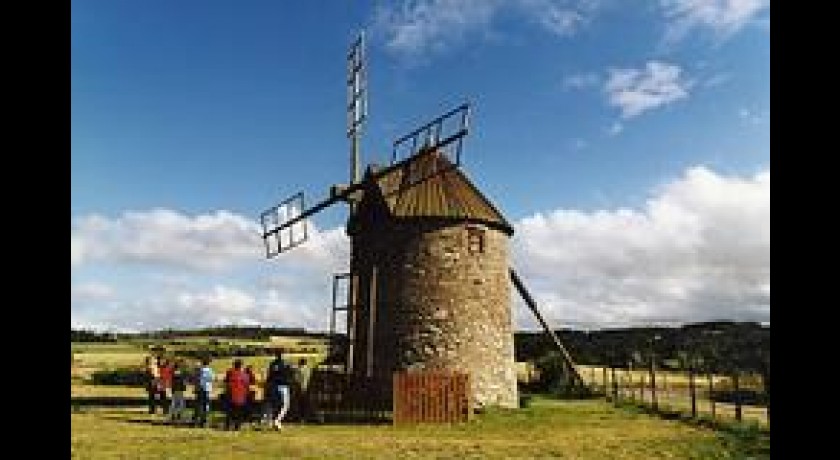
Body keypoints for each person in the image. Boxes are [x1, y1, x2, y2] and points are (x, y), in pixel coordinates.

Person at [264, 350, 293, 431]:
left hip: (273, 386)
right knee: (285, 405)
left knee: (274, 405)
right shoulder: (286, 364)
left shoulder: (272, 364)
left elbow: (269, 375)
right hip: (283, 386)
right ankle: (277, 421)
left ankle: (270, 422)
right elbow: (290, 374)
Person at [223, 359, 250, 430]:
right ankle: (237, 426)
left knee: (230, 411)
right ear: (241, 366)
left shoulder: (230, 373)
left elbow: (225, 382)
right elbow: (247, 385)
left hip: (231, 395)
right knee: (239, 412)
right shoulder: (244, 375)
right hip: (240, 396)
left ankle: (228, 425)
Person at [193, 357, 214, 428]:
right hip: (206, 389)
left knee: (198, 405)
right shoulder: (210, 370)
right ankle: (204, 421)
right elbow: (212, 379)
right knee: (205, 405)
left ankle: (196, 420)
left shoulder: (199, 370)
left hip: (199, 389)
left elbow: (195, 379)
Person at [294, 358, 313, 423]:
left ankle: (300, 418)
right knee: (305, 404)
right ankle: (305, 417)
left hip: (300, 388)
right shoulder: (308, 370)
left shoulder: (299, 370)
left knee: (300, 404)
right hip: (306, 388)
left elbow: (296, 379)